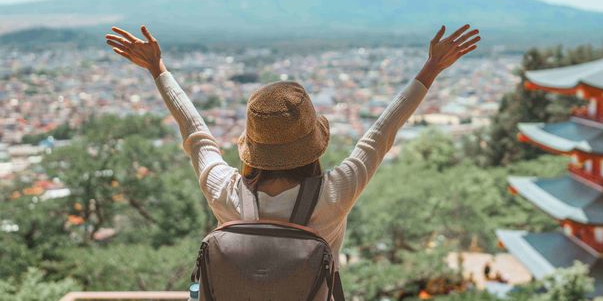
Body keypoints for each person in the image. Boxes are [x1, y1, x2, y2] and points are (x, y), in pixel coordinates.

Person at [104, 23, 480, 270]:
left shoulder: (226, 192)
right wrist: (430, 68)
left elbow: (195, 132)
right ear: (312, 143)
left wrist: (158, 69)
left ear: (252, 145)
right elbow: (382, 133)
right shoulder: (335, 193)